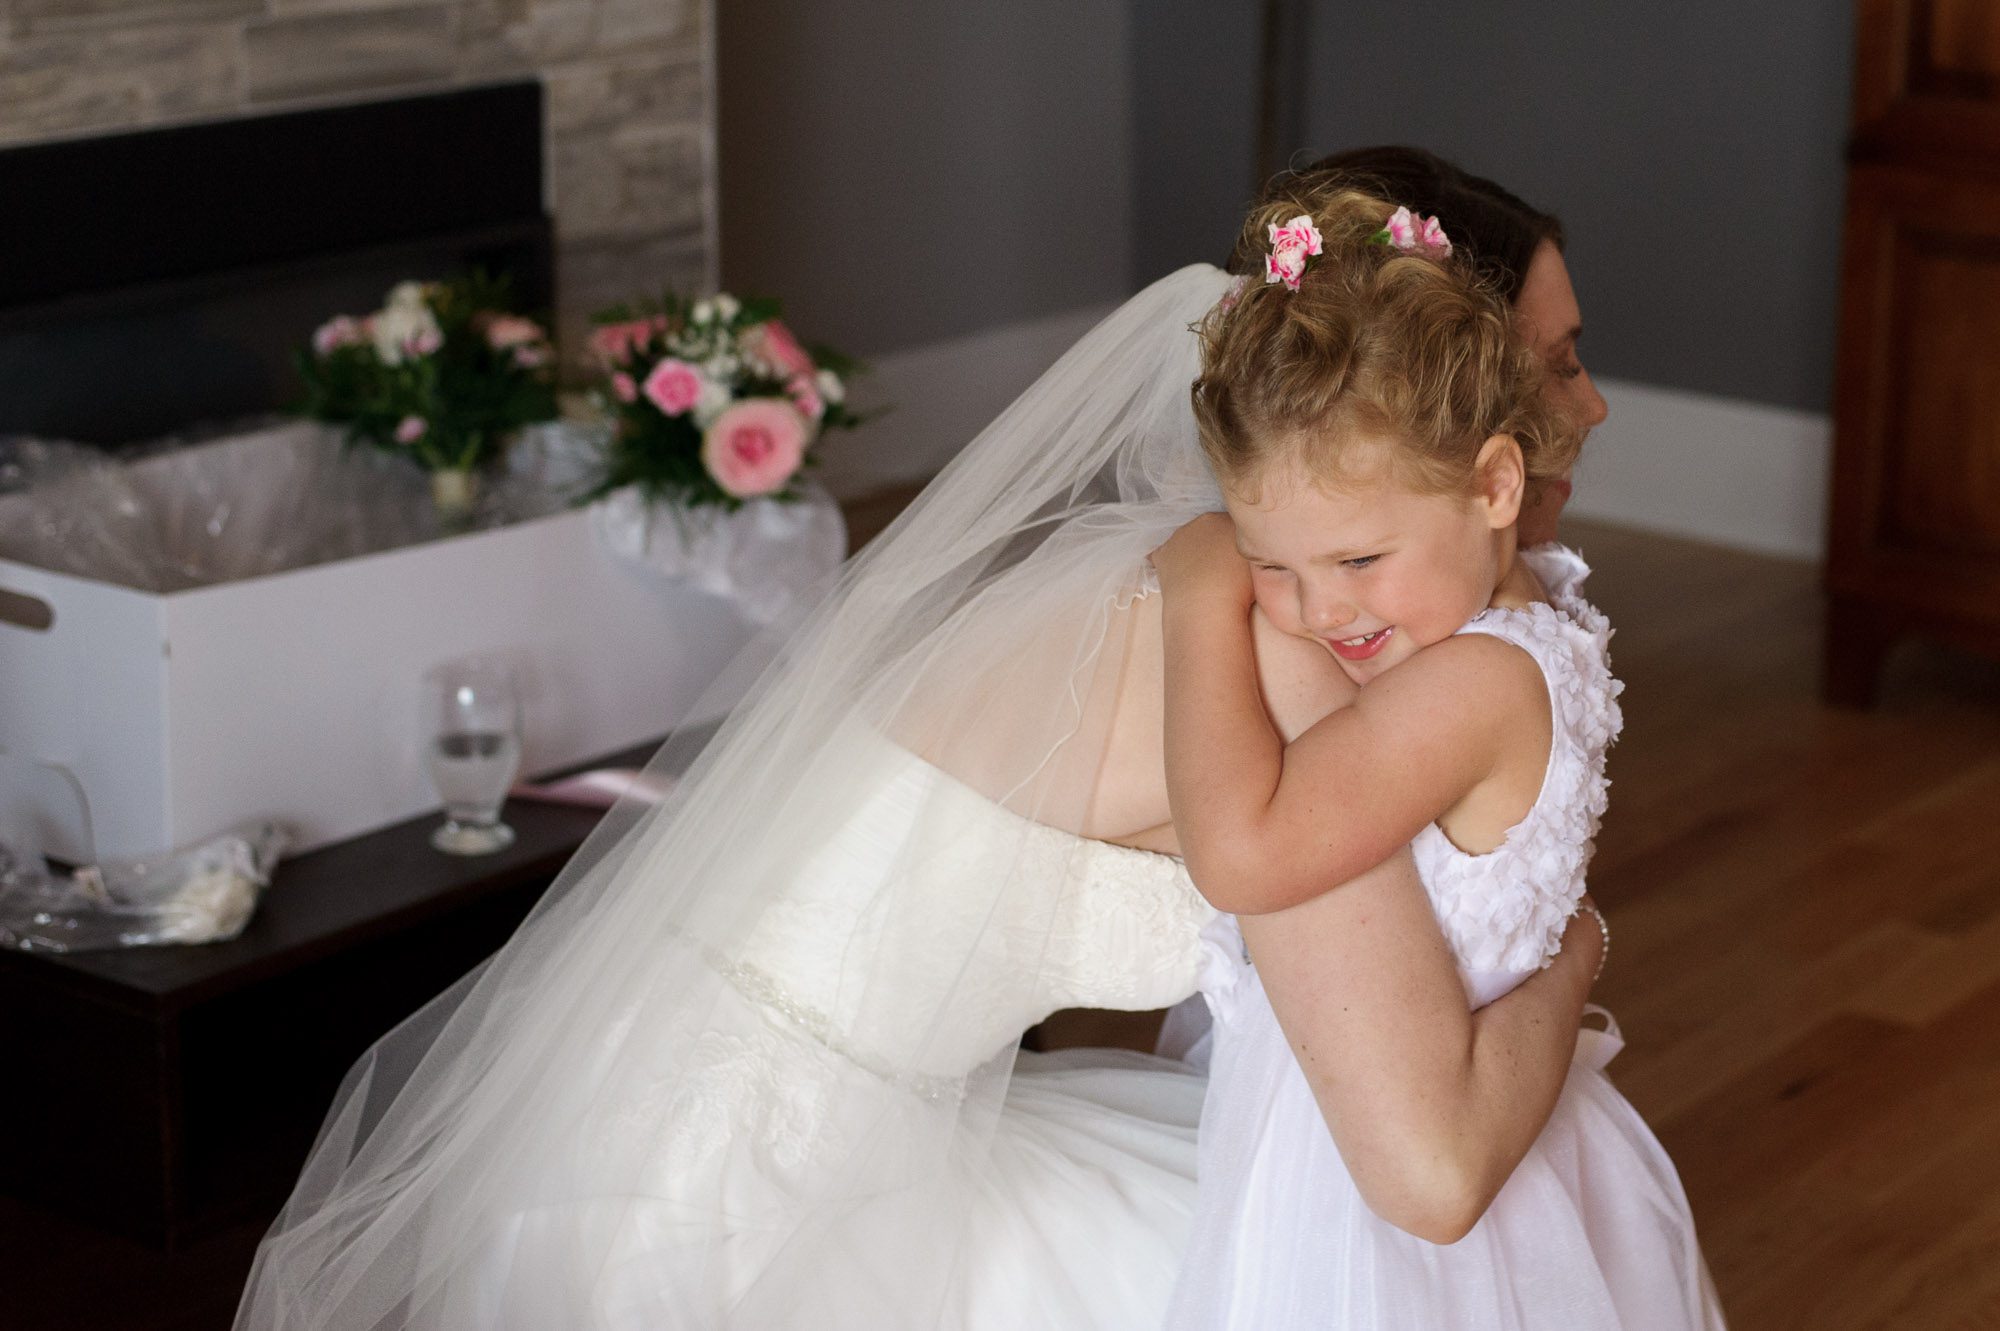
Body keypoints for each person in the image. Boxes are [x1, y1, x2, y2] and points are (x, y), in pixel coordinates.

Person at [235, 157, 1605, 1331]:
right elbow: (1425, 1160)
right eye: (1552, 367)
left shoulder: (1243, 578)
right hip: (730, 1199)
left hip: (670, 1092)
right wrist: (1572, 963)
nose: (1583, 409)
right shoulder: (1281, 646)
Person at [1153, 187, 1723, 1327]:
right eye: (1271, 561)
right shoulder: (1519, 615)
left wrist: (1197, 594)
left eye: (1359, 556)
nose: (1318, 609)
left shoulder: (1474, 682)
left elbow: (1243, 850)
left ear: (1494, 485)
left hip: (1377, 1218)